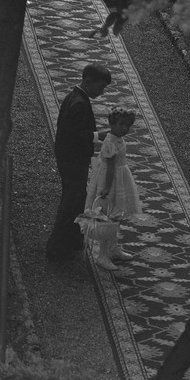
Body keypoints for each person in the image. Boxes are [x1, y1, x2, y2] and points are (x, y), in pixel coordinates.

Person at [45, 63, 112, 261]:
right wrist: (98, 135)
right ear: (88, 81)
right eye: (100, 87)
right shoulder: (79, 104)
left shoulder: (75, 98)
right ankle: (57, 246)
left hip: (69, 157)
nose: (101, 92)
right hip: (73, 159)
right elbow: (75, 135)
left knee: (76, 199)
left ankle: (72, 241)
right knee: (71, 202)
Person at [82, 108, 142, 271]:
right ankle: (103, 255)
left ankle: (113, 248)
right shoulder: (111, 142)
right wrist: (107, 188)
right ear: (112, 123)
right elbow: (110, 168)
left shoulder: (115, 137)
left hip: (118, 177)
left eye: (128, 125)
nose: (124, 129)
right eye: (121, 124)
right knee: (107, 216)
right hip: (110, 180)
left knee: (116, 215)